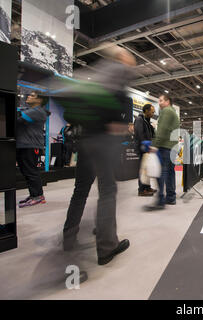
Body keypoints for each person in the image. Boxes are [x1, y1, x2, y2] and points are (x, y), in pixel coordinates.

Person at [61, 47, 135, 265]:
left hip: (85, 140)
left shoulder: (96, 75)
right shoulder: (118, 72)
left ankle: (69, 237)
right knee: (107, 190)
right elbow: (115, 121)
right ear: (122, 58)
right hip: (103, 141)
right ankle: (106, 247)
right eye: (129, 57)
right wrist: (122, 128)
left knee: (80, 190)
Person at [16, 91, 51, 208]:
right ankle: (34, 195)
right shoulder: (32, 111)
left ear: (39, 100)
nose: (28, 96)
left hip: (30, 145)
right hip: (24, 145)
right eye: (29, 94)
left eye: (32, 95)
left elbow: (19, 120)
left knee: (31, 171)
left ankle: (38, 197)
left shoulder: (37, 111)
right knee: (27, 171)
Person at [147, 94, 180, 210]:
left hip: (165, 146)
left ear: (168, 101)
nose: (159, 103)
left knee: (161, 173)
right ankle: (171, 198)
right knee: (170, 172)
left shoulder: (166, 111)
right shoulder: (173, 112)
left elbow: (162, 130)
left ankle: (160, 200)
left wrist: (154, 145)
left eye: (161, 100)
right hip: (172, 147)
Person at [134, 103, 157, 196]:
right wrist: (146, 145)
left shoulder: (146, 121)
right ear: (146, 111)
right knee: (143, 170)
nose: (153, 114)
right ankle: (141, 189)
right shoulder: (139, 120)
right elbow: (140, 134)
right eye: (152, 112)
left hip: (147, 148)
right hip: (142, 148)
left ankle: (147, 187)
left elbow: (151, 134)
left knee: (147, 169)